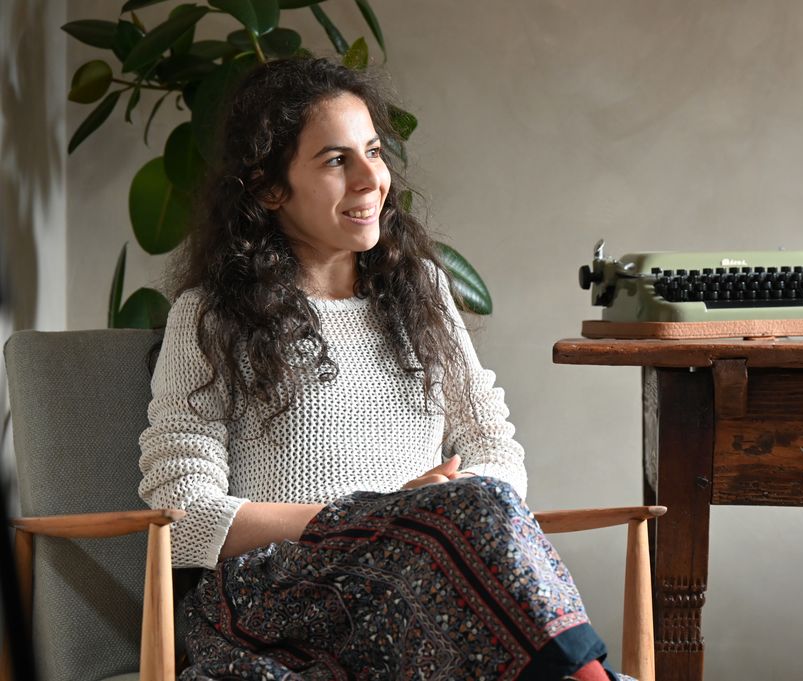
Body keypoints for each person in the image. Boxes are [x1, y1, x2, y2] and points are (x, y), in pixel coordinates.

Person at [137, 56, 628, 681]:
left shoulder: (420, 293)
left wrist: (419, 517)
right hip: (278, 596)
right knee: (459, 524)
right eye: (335, 160)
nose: (372, 178)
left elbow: (496, 451)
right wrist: (384, 516)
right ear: (268, 188)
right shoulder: (210, 316)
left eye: (373, 151)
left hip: (419, 584)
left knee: (479, 503)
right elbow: (182, 512)